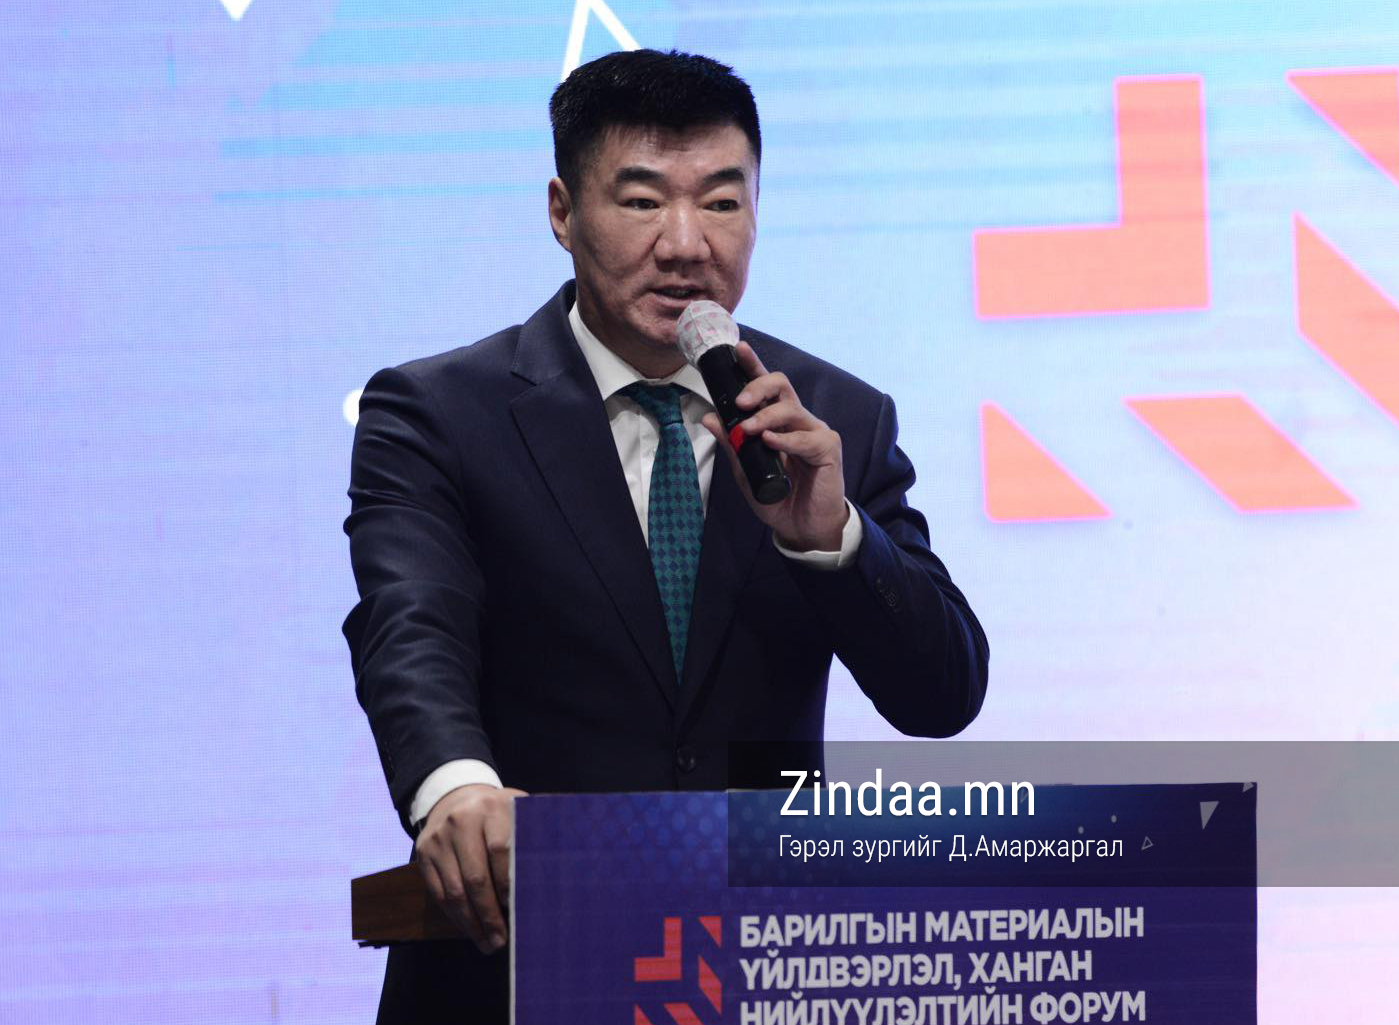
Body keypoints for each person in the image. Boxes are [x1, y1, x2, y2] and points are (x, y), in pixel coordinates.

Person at [343, 48, 989, 1024]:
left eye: (722, 202)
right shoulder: (438, 413)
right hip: (510, 969)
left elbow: (942, 693)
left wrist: (832, 539)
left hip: (759, 973)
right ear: (562, 211)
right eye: (642, 201)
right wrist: (457, 790)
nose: (687, 245)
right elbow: (411, 623)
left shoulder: (832, 418)